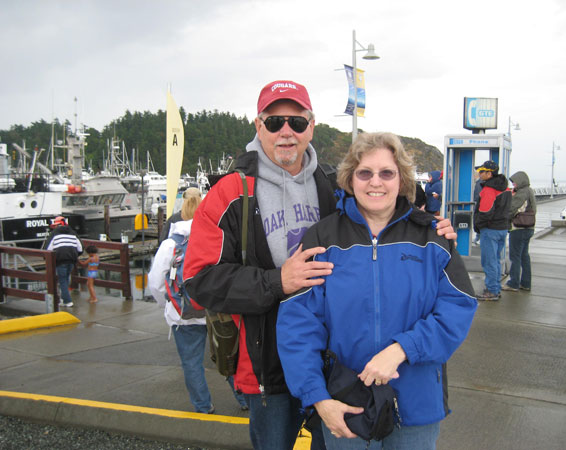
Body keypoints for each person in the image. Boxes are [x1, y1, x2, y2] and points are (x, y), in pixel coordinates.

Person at [182, 80, 459, 450]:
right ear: (258, 126)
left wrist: (434, 228)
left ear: (311, 127)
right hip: (267, 366)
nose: (286, 131)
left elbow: (380, 214)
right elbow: (198, 280)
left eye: (297, 122)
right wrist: (277, 281)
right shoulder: (231, 193)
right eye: (274, 121)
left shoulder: (331, 185)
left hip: (337, 371)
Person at [276, 132, 477, 450]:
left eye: (387, 173)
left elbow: (458, 308)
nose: (375, 182)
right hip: (345, 402)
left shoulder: (433, 237)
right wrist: (317, 397)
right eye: (365, 173)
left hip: (417, 404)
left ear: (402, 179)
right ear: (350, 179)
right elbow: (298, 325)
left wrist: (402, 349)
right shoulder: (323, 238)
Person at [149, 194, 247, 414]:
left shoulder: (170, 244)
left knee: (192, 363)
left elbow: (156, 283)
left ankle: (203, 406)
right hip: (216, 310)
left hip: (183, 314)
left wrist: (167, 304)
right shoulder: (215, 238)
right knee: (229, 356)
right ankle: (244, 398)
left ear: (182, 213)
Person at [473, 161, 512, 301]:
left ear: (489, 174)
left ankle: (491, 291)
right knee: (496, 260)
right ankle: (495, 287)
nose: (479, 174)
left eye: (482, 171)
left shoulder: (489, 190)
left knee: (489, 261)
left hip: (490, 230)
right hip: (502, 228)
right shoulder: (506, 188)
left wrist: (478, 225)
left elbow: (485, 212)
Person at [502, 171, 536, 292]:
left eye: (515, 182)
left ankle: (513, 283)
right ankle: (526, 283)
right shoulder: (530, 191)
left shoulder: (522, 193)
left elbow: (512, 209)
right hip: (529, 228)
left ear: (520, 181)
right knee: (524, 256)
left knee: (515, 256)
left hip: (518, 228)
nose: (513, 184)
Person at [45, 216, 83, 307]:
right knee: (66, 279)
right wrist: (74, 255)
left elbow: (48, 249)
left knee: (62, 280)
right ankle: (63, 298)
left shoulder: (54, 234)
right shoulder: (73, 233)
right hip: (71, 260)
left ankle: (67, 301)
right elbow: (80, 248)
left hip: (60, 260)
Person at [472, 177, 483, 245]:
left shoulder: (479, 182)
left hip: (478, 203)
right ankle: (478, 237)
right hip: (478, 202)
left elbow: (478, 194)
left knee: (478, 219)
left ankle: (478, 237)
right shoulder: (479, 182)